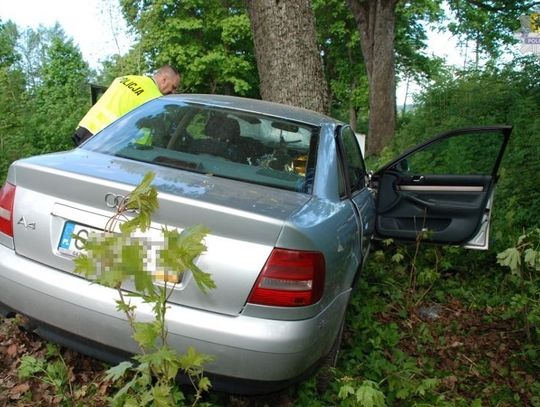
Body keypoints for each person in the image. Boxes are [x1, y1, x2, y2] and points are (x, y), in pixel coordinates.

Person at [73, 65, 181, 145]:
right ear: (164, 79)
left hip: (85, 128)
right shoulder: (155, 98)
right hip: (104, 139)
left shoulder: (126, 78)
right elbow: (145, 135)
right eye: (173, 87)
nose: (173, 92)